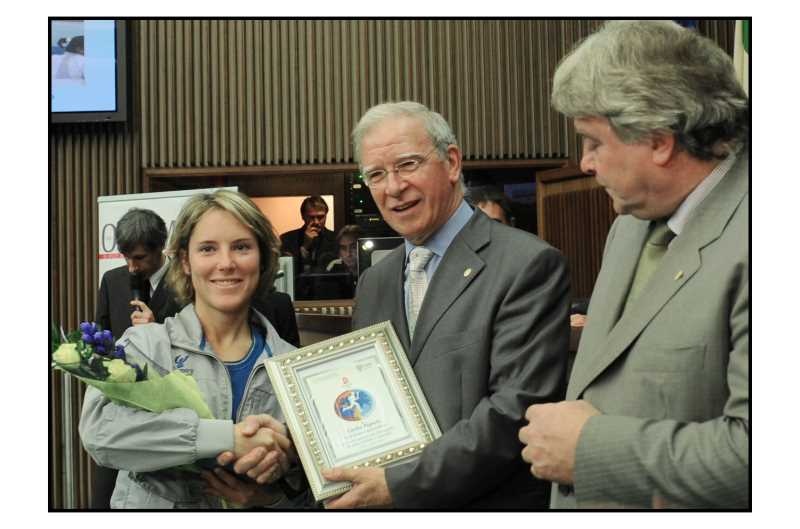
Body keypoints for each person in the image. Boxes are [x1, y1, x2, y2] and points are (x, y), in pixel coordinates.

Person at [518, 20, 749, 508]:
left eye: (594, 141)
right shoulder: (629, 224)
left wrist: (589, 450)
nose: (584, 162)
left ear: (658, 140)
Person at [320, 101, 571, 509]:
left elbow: (514, 410)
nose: (393, 187)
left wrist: (400, 484)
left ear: (452, 162)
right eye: (376, 175)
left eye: (407, 165)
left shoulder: (527, 264)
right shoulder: (374, 282)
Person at [80, 190, 308, 509]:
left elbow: (311, 480)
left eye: (241, 247)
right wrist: (227, 438)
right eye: (208, 249)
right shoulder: (144, 346)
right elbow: (99, 433)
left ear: (263, 258)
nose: (226, 263)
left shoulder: (294, 366)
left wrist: (272, 495)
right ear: (185, 261)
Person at [92, 207, 183, 508]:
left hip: (170, 414)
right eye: (125, 256)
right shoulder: (112, 281)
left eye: (140, 258)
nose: (131, 267)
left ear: (161, 247)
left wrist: (158, 331)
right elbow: (102, 340)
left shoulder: (188, 282)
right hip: (121, 410)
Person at [279, 195, 338, 276]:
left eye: (320, 217)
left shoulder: (336, 239)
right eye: (311, 217)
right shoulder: (287, 239)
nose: (316, 222)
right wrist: (305, 246)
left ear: (326, 215)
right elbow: (287, 271)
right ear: (303, 216)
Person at [323, 224, 362, 298]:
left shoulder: (372, 273)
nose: (348, 253)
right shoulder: (332, 275)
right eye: (343, 248)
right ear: (339, 252)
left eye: (353, 247)